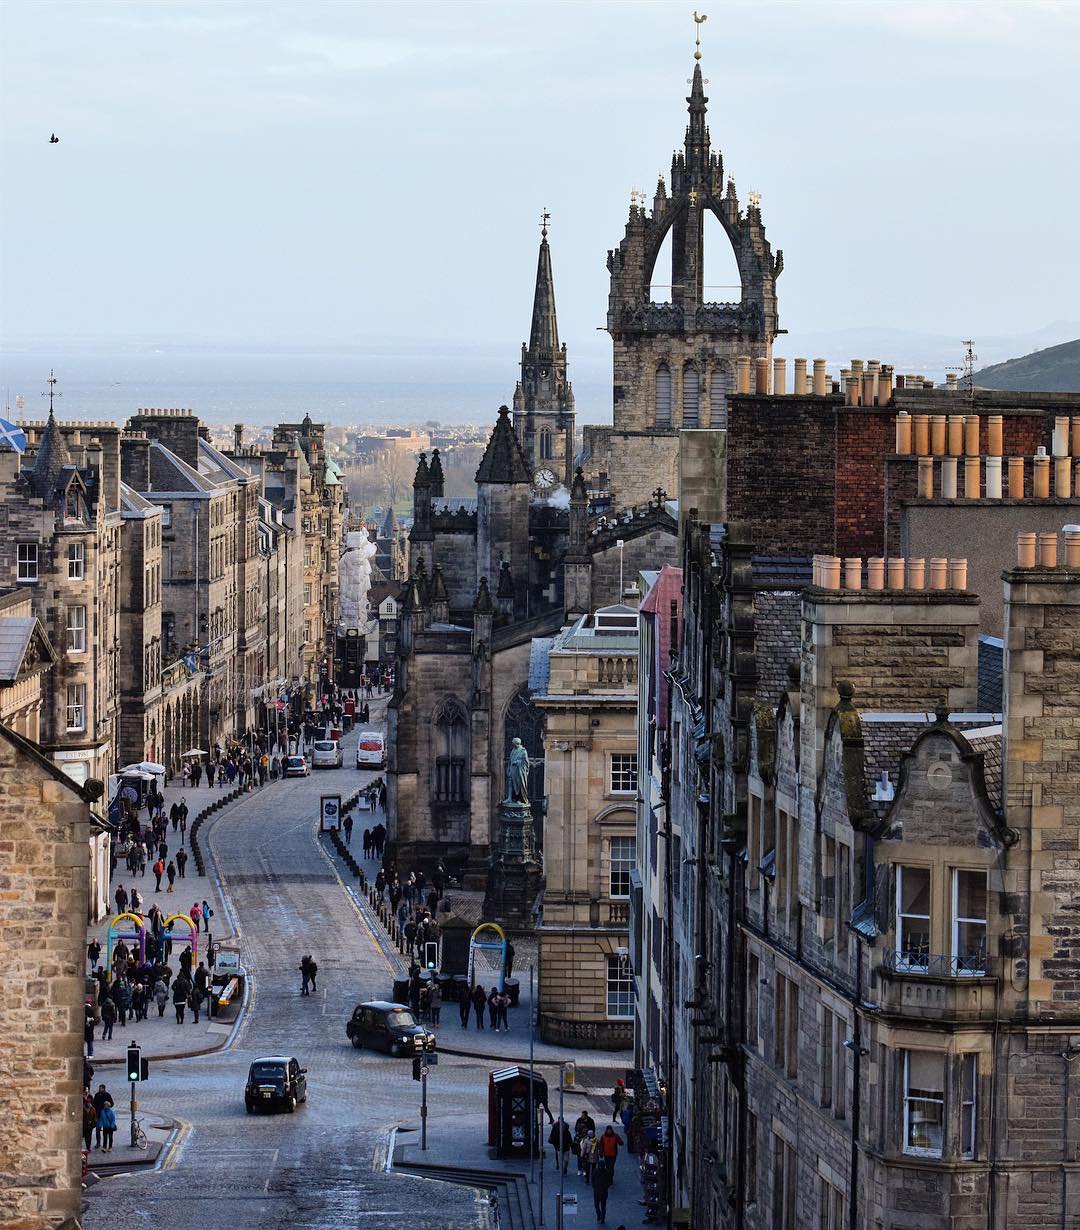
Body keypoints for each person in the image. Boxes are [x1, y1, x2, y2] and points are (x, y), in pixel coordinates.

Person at [591, 1156, 613, 1223]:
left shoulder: (606, 1172)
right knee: (597, 1205)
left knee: (602, 1206)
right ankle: (599, 1215)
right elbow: (593, 1179)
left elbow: (610, 1181)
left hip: (602, 1191)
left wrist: (605, 1186)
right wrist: (594, 1186)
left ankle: (602, 1218)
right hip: (598, 1191)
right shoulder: (596, 1171)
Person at [92, 1085, 114, 1149]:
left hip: (105, 1116)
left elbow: (112, 1103)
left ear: (104, 1089)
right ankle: (98, 1143)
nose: (99, 1089)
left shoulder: (107, 1095)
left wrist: (107, 1106)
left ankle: (106, 1145)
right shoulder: (97, 1095)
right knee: (98, 1129)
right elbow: (94, 1104)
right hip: (98, 1115)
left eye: (101, 1088)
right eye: (99, 1088)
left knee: (105, 1131)